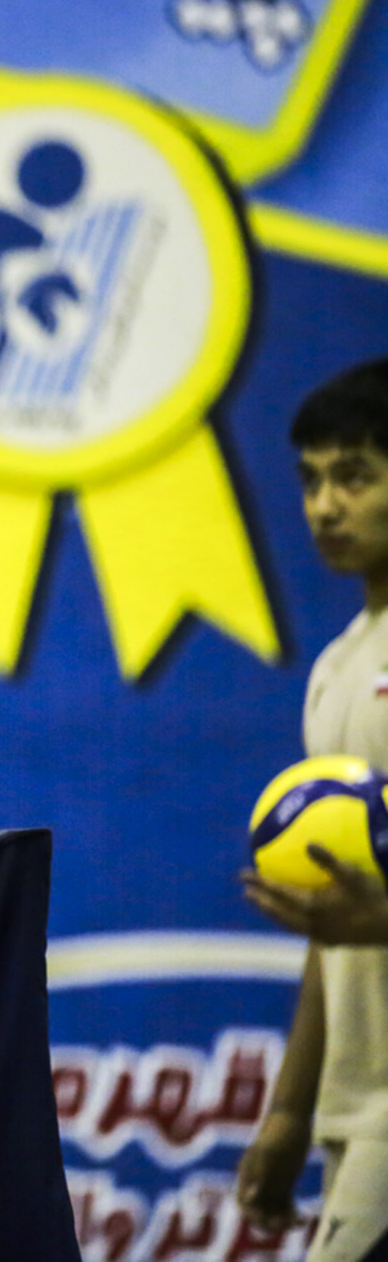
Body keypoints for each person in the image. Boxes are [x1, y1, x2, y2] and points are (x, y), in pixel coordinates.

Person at [235, 355, 388, 1261]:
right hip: (357, 1103)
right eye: (311, 480)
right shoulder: (337, 667)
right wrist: (292, 1107)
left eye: (355, 476)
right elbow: (332, 924)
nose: (326, 506)